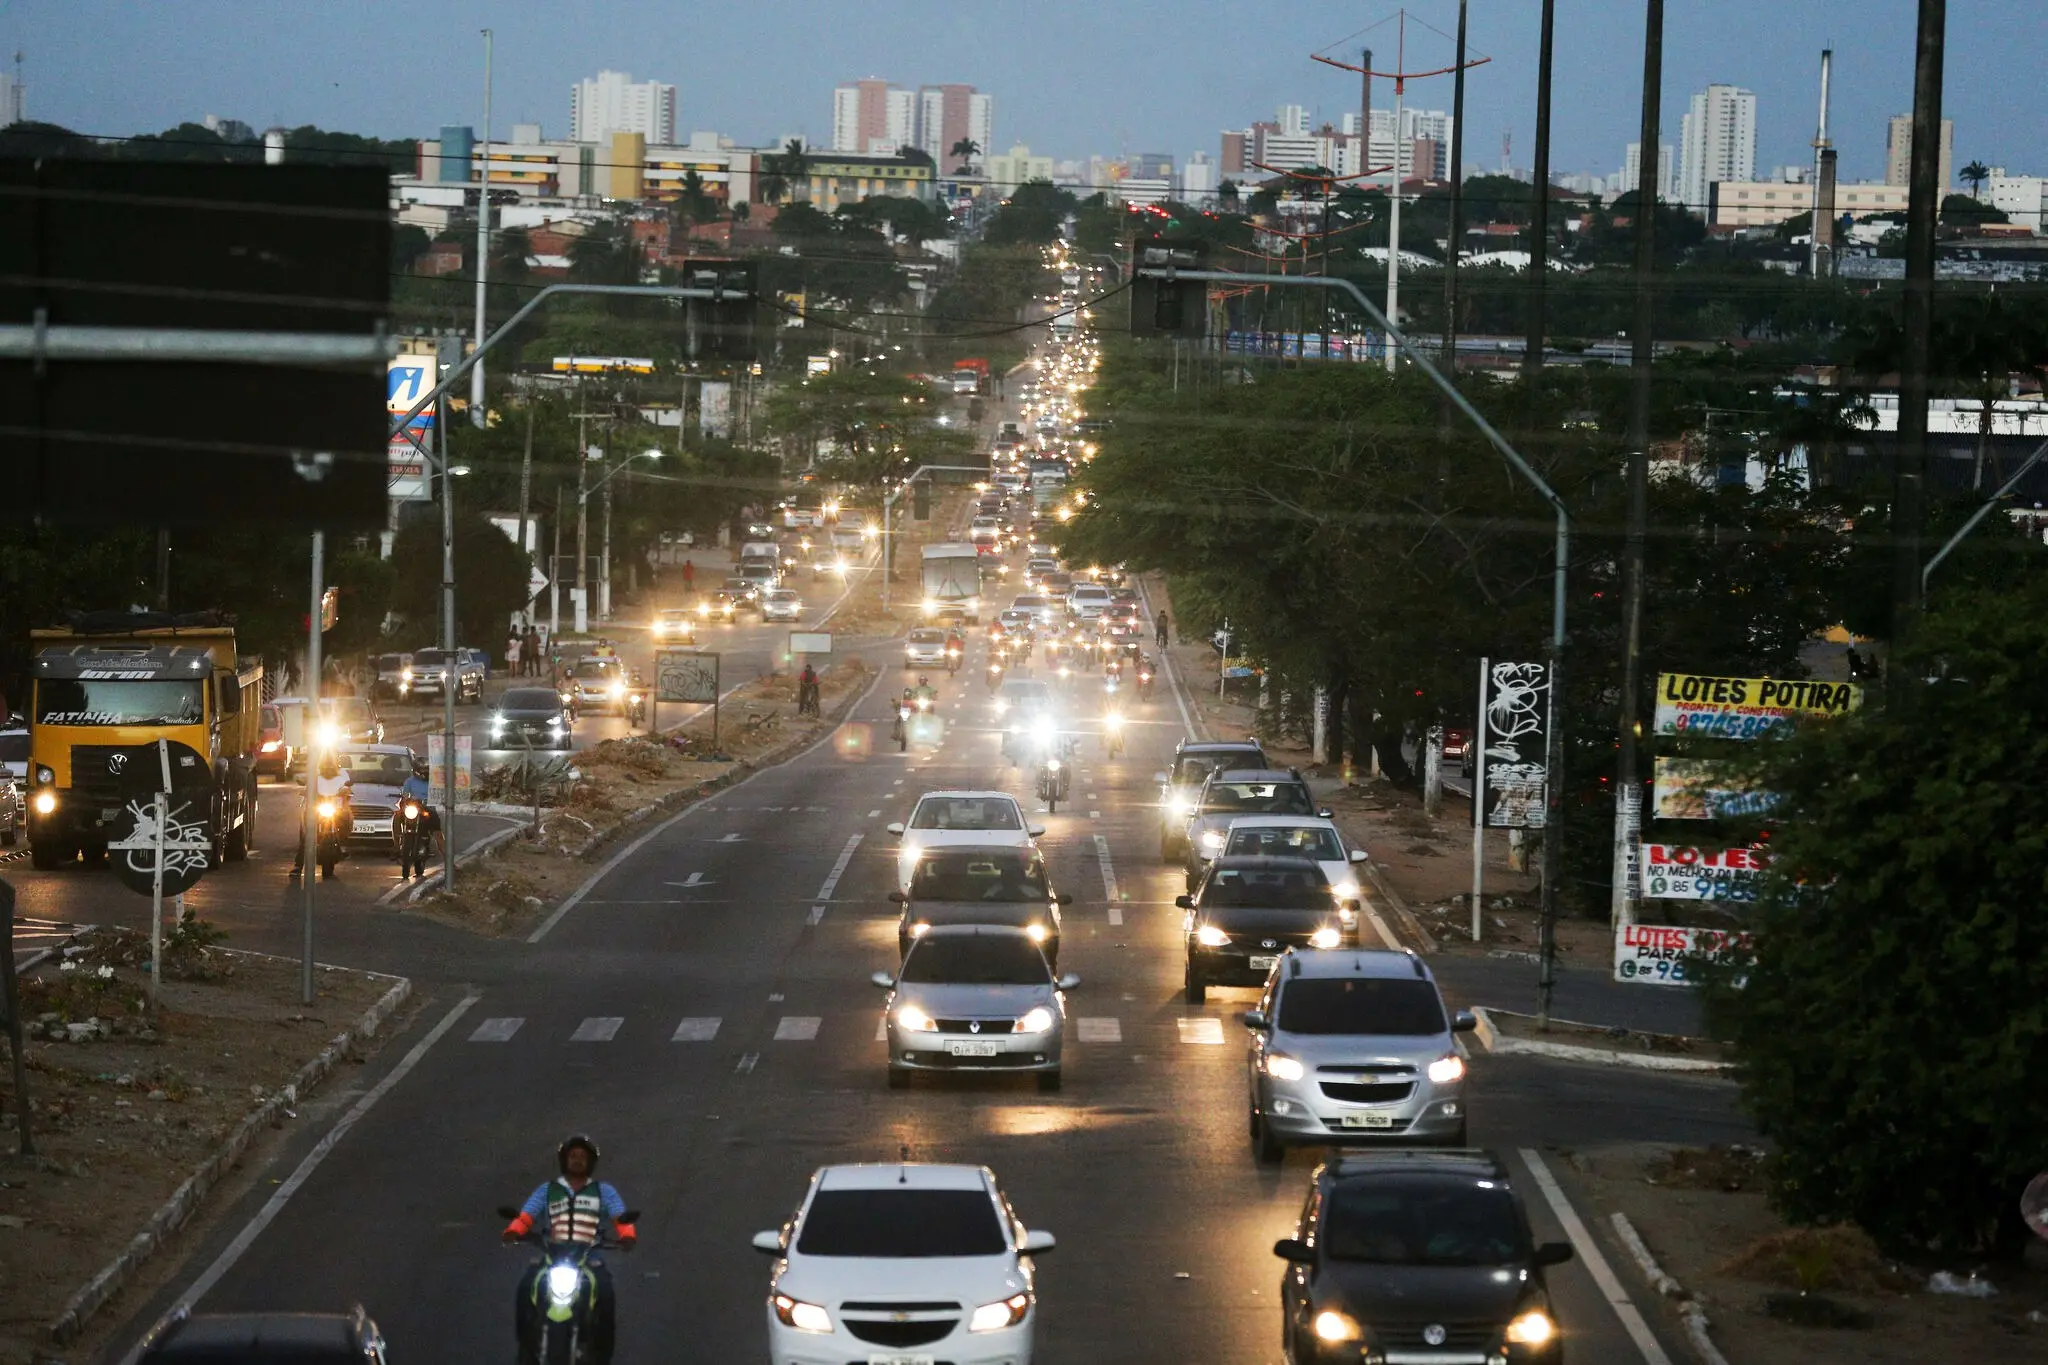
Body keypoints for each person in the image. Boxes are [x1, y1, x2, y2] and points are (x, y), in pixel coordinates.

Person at [502, 1135, 635, 1364]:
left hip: (589, 1256)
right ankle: (526, 1348)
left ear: (590, 1162)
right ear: (564, 1160)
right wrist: (513, 1231)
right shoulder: (547, 1190)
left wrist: (627, 1236)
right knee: (525, 1287)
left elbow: (620, 1217)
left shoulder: (604, 1191)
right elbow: (525, 1216)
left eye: (582, 1156)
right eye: (573, 1156)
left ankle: (602, 1355)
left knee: (605, 1292)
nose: (577, 1160)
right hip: (552, 1255)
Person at [291, 752, 352, 876]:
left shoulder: (342, 774)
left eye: (331, 762)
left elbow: (348, 788)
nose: (328, 766)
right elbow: (306, 785)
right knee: (306, 835)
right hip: (316, 809)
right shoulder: (314, 774)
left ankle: (342, 844)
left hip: (336, 809)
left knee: (346, 817)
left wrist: (345, 792)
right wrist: (306, 791)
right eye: (326, 762)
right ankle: (298, 865)